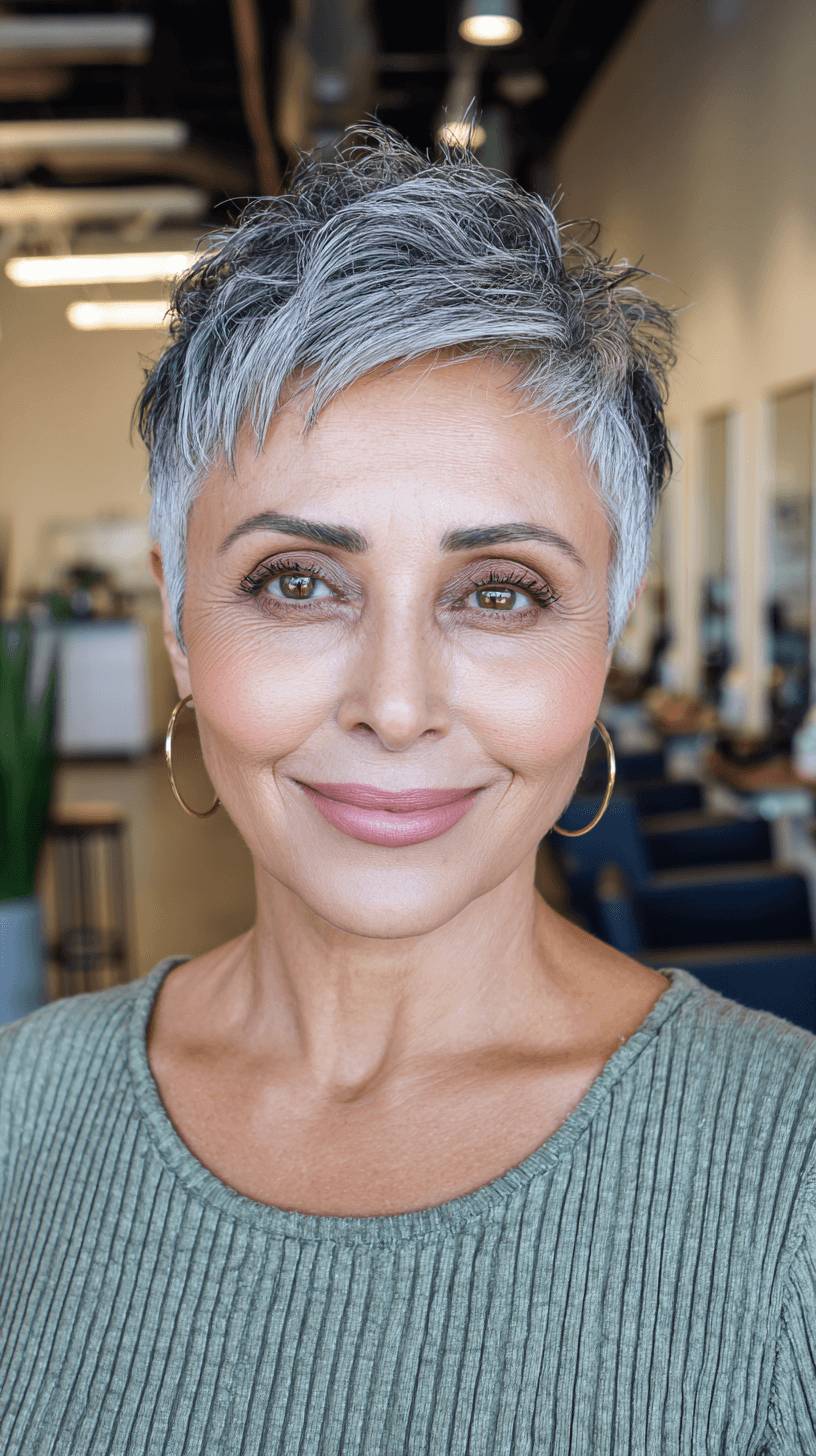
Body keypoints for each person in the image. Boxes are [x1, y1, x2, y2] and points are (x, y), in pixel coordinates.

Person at [1, 121, 814, 1455]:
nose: (394, 702)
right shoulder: (17, 1126)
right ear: (176, 626)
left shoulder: (792, 1188)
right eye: (297, 581)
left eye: (501, 592)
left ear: (605, 633)